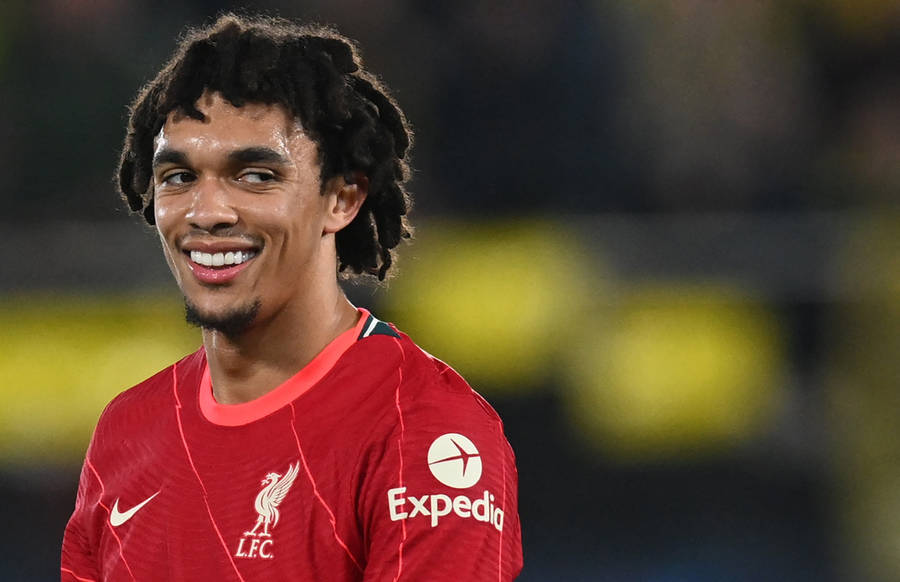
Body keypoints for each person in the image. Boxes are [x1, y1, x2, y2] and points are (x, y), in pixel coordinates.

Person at [60, 13, 523, 581]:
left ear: (342, 199)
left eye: (256, 176)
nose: (207, 213)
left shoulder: (425, 430)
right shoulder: (126, 432)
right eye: (179, 177)